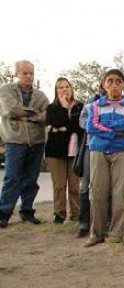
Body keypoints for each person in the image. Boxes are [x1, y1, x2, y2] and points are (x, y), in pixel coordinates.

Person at [84, 69, 124, 247]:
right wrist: (114, 132)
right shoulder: (95, 106)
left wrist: (104, 128)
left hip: (122, 151)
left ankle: (116, 232)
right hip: (98, 151)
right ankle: (97, 233)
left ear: (123, 84)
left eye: (118, 81)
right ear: (104, 84)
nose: (114, 85)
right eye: (110, 81)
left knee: (119, 192)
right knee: (97, 192)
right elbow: (91, 127)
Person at [0, 60, 50, 228]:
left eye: (31, 73)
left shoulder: (41, 96)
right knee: (12, 178)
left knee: (31, 179)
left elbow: (47, 116)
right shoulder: (6, 90)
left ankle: (27, 211)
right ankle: (4, 213)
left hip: (36, 142)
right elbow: (10, 110)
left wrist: (25, 116)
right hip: (15, 140)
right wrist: (34, 114)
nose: (29, 76)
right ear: (17, 74)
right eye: (25, 73)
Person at [45, 77, 84, 224]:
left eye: (66, 86)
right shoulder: (52, 107)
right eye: (60, 87)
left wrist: (63, 128)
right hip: (55, 152)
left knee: (74, 186)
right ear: (56, 91)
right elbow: (55, 122)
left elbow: (79, 126)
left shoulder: (79, 106)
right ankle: (59, 214)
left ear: (71, 88)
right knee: (59, 186)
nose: (64, 90)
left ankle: (76, 214)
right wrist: (62, 107)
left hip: (74, 151)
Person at [75, 86, 105, 238]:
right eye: (108, 81)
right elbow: (83, 122)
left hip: (108, 147)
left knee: (106, 188)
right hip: (89, 147)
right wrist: (99, 124)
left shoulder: (120, 102)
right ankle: (83, 223)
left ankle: (105, 223)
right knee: (85, 187)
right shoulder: (92, 101)